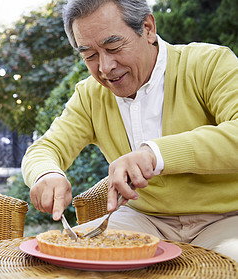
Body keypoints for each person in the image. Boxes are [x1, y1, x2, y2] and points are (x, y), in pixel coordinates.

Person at [21, 0, 238, 261]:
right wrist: (47, 174)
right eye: (89, 55)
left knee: (227, 269)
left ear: (147, 28)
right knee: (70, 260)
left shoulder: (208, 64)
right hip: (143, 219)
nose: (105, 67)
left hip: (227, 217)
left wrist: (154, 154)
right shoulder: (91, 95)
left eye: (113, 47)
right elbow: (45, 148)